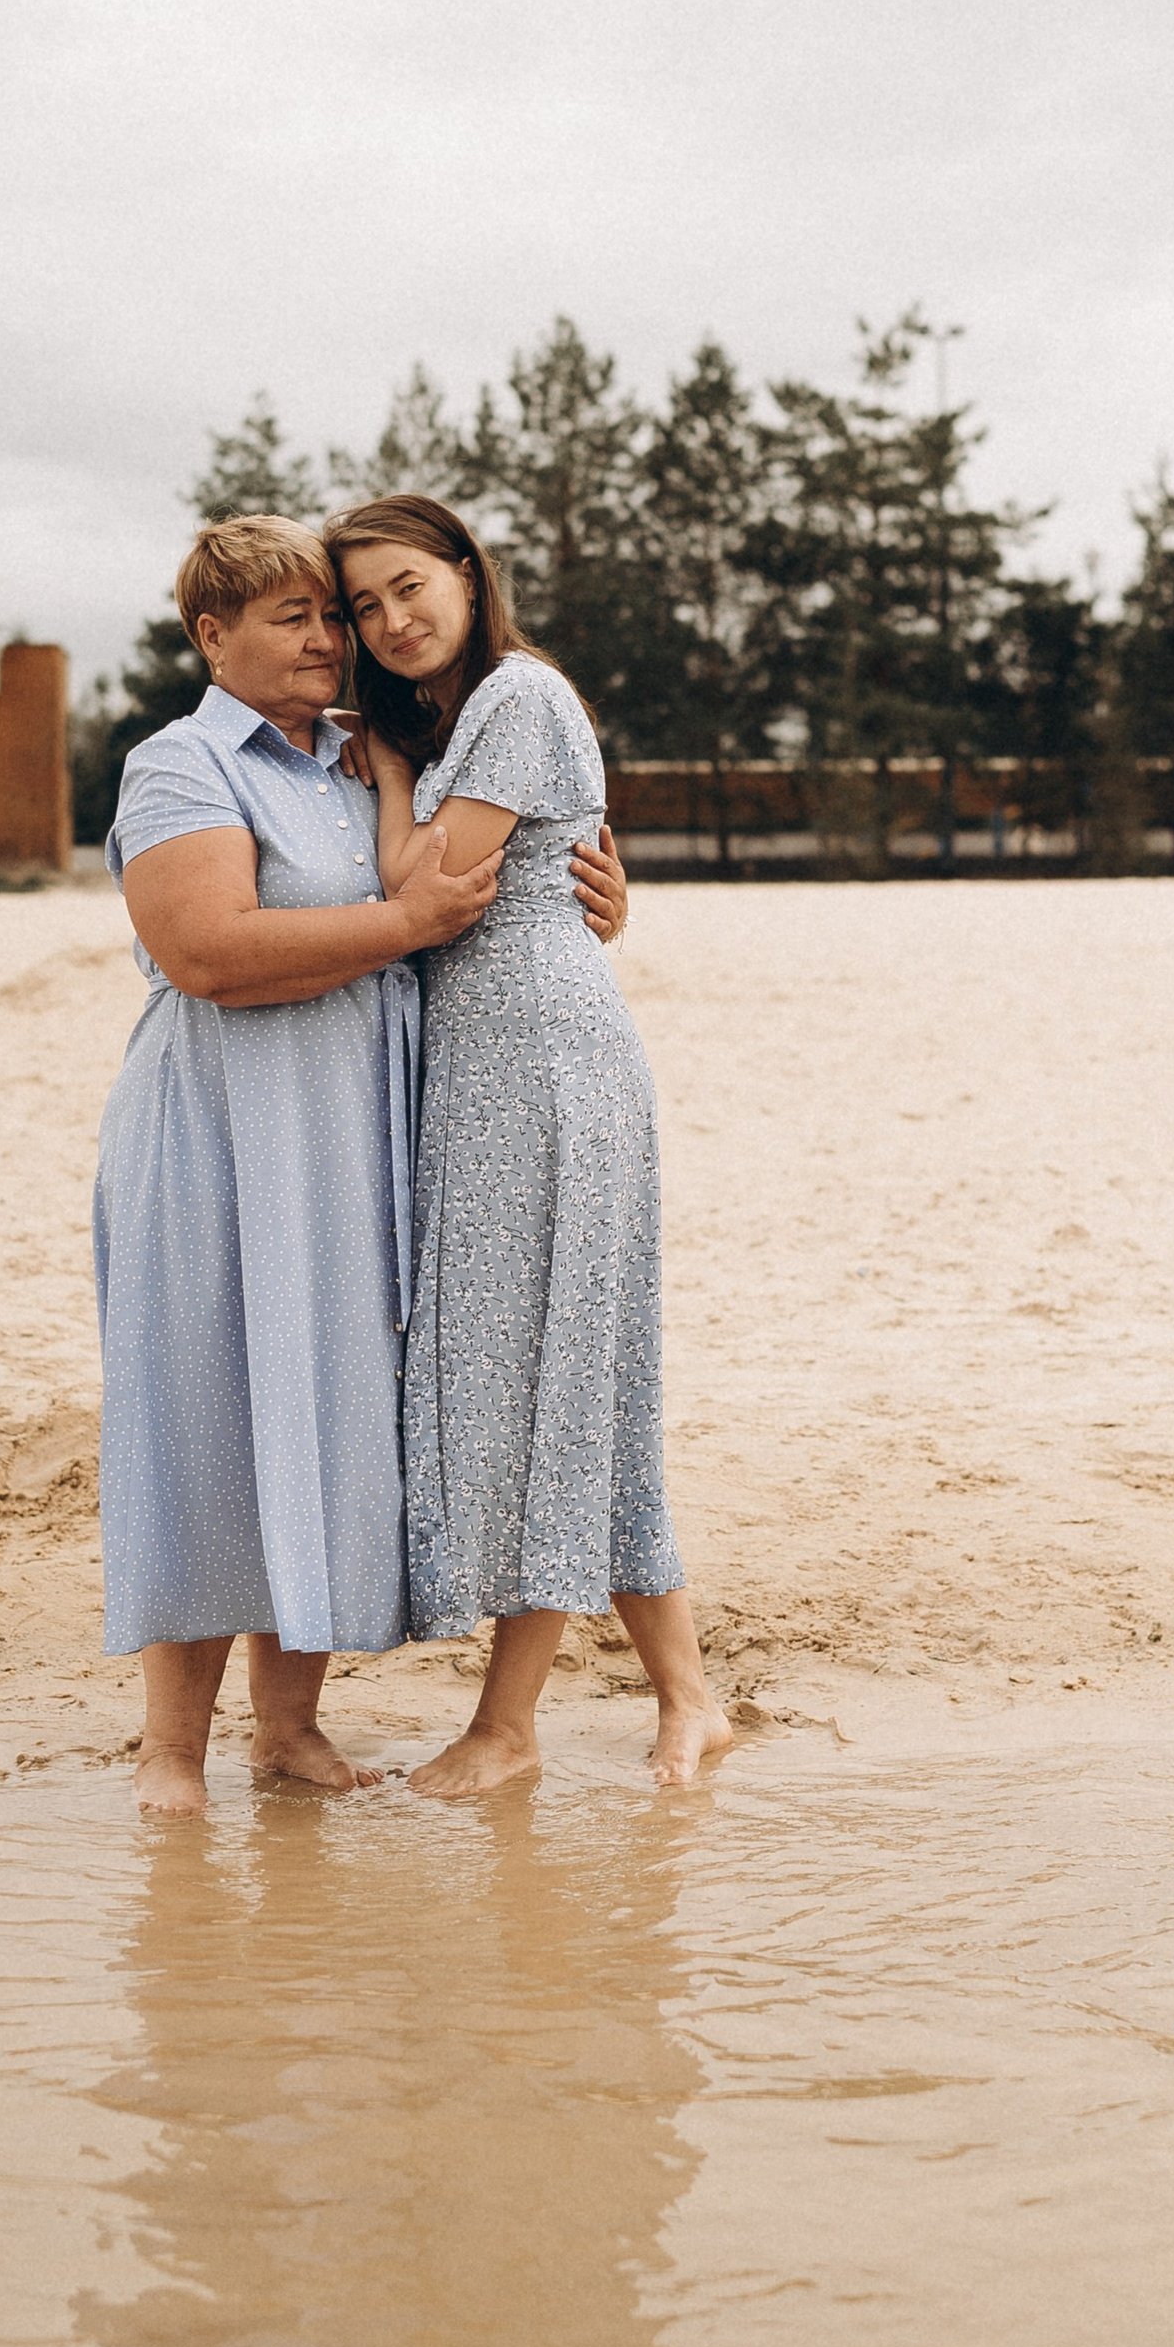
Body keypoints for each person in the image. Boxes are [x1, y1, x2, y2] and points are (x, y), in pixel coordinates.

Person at [96, 513, 629, 1817]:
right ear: (212, 635)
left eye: (333, 616)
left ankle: (288, 1729)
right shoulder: (180, 765)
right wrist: (400, 922)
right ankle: (172, 1747)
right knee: (205, 1415)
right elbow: (209, 951)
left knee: (324, 1415)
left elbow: (505, 878)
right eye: (297, 618)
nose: (331, 639)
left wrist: (597, 904)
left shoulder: (362, 758)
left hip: (358, 1131)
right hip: (221, 1126)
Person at [328, 493, 731, 1794]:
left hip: (545, 1070)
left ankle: (507, 1729)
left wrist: (392, 778)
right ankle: (690, 1698)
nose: (392, 620)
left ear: (466, 570)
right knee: (579, 1384)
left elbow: (424, 892)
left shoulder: (517, 695)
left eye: (409, 585)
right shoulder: (464, 719)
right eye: (364, 606)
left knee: (550, 1383)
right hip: (488, 1070)